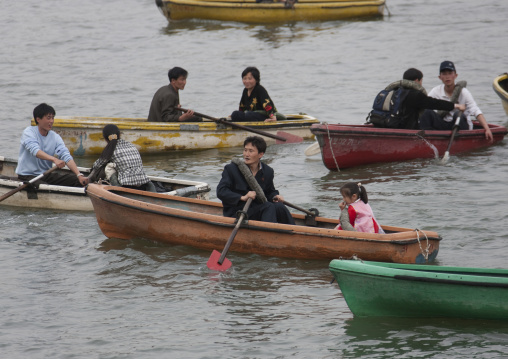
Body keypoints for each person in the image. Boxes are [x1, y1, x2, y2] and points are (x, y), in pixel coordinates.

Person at [216, 136, 295, 225]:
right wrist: (242, 197)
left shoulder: (268, 171)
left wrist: (275, 196)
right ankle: (268, 235)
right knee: (268, 207)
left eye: (251, 151)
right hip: (238, 212)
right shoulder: (231, 169)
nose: (246, 154)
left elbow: (269, 191)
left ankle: (295, 233)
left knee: (279, 206)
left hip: (259, 209)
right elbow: (221, 191)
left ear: (260, 154)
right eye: (245, 150)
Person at [15, 103, 87, 187]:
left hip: (46, 175)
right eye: (48, 118)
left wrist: (79, 175)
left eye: (53, 118)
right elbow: (36, 152)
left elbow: (66, 156)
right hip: (27, 176)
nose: (51, 121)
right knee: (44, 187)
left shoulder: (55, 136)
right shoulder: (29, 132)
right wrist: (55, 160)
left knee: (76, 180)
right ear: (38, 119)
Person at [419, 61, 493, 142]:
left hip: (461, 125)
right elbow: (425, 103)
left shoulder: (464, 92)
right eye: (444, 74)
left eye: (450, 73)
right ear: (440, 77)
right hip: (445, 125)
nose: (447, 77)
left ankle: (459, 142)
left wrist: (487, 129)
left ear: (455, 76)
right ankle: (427, 140)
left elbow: (476, 111)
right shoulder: (436, 91)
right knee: (427, 112)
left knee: (457, 114)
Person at [85, 124, 155, 192]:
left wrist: (89, 177)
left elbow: (97, 165)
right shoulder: (131, 145)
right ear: (119, 134)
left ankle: (117, 189)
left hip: (126, 183)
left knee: (109, 167)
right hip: (143, 181)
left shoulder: (110, 150)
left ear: (105, 138)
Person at [400, 68, 466, 129]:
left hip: (395, 126)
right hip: (409, 129)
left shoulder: (394, 92)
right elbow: (434, 103)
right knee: (427, 112)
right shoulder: (415, 95)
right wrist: (455, 105)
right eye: (421, 81)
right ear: (417, 81)